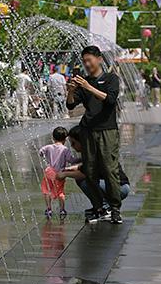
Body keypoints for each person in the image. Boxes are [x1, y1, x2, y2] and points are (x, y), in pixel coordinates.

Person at [66, 46, 123, 224]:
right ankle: (99, 207)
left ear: (99, 59)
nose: (87, 64)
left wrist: (88, 87)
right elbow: (70, 106)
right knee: (89, 171)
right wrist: (70, 90)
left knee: (109, 168)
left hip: (107, 130)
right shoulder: (85, 82)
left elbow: (110, 100)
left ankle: (115, 209)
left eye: (89, 60)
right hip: (88, 130)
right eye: (84, 61)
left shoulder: (111, 79)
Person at [59, 126, 129, 214]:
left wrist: (65, 174)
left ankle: (103, 208)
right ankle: (98, 206)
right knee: (85, 179)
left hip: (120, 188)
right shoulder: (94, 149)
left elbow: (84, 174)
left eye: (73, 143)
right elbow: (87, 166)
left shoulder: (92, 154)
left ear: (82, 141)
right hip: (118, 186)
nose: (72, 146)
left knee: (84, 181)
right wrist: (73, 167)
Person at [39, 126, 73, 220]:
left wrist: (42, 154)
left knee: (46, 191)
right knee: (60, 192)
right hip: (60, 174)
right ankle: (62, 210)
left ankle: (49, 209)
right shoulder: (65, 149)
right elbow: (70, 160)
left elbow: (41, 151)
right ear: (65, 139)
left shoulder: (49, 147)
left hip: (49, 172)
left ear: (53, 137)